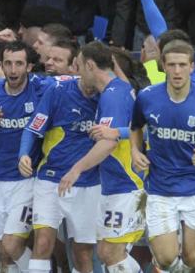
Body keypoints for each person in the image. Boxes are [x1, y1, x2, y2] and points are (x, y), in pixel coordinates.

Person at [129, 40, 195, 273]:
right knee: (165, 259)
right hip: (160, 187)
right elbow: (135, 128)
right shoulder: (146, 97)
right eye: (172, 64)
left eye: (182, 65)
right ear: (163, 65)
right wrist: (135, 151)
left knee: (193, 258)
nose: (177, 71)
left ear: (192, 67)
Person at [58, 41, 144, 273]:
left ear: (89, 65)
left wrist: (76, 169)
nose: (76, 72)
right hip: (117, 183)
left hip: (126, 184)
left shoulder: (113, 97)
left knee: (110, 252)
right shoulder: (120, 88)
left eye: (78, 66)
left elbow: (108, 143)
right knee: (109, 252)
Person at [18, 51, 101, 273]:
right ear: (77, 67)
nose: (92, 73)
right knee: (43, 242)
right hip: (50, 178)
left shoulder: (109, 96)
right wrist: (23, 154)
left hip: (88, 182)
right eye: (87, 66)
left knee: (82, 252)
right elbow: (32, 129)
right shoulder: (58, 92)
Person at [0, 41, 43, 273]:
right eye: (9, 64)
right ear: (1, 66)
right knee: (4, 251)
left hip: (25, 180)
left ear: (29, 67)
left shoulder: (41, 89)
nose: (13, 70)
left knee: (12, 246)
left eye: (19, 64)